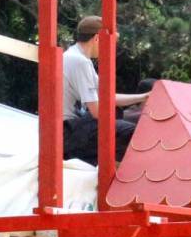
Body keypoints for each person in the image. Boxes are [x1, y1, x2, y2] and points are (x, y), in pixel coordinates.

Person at [62, 15, 150, 165]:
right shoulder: (80, 61)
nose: (110, 49)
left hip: (72, 129)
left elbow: (107, 96)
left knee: (119, 118)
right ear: (97, 38)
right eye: (110, 43)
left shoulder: (75, 56)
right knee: (133, 133)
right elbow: (97, 111)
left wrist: (143, 97)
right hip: (68, 132)